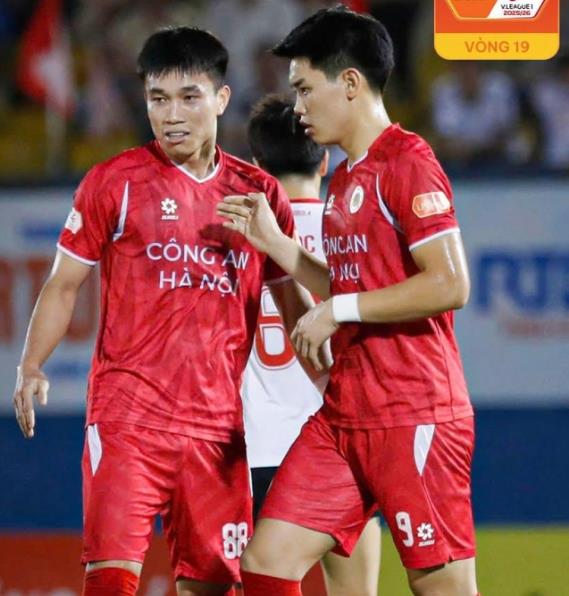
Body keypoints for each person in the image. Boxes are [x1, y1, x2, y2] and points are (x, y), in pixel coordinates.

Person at [12, 26, 315, 596]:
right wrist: (31, 364)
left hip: (218, 433)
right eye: (158, 99)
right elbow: (63, 284)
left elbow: (295, 307)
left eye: (188, 97)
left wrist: (333, 382)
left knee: (212, 588)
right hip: (128, 424)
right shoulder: (114, 183)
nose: (172, 115)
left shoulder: (257, 195)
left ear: (221, 99)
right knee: (110, 582)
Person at [218, 6, 479, 596]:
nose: (298, 107)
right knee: (266, 562)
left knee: (440, 588)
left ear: (352, 83)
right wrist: (280, 247)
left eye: (306, 89)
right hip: (344, 415)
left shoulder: (408, 162)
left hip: (413, 413)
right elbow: (354, 287)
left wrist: (337, 311)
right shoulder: (345, 180)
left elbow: (450, 284)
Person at [243, 94, 380, 596]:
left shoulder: (241, 240)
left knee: (265, 578)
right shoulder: (351, 234)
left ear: (256, 166)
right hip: (342, 449)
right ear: (324, 160)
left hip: (255, 452)